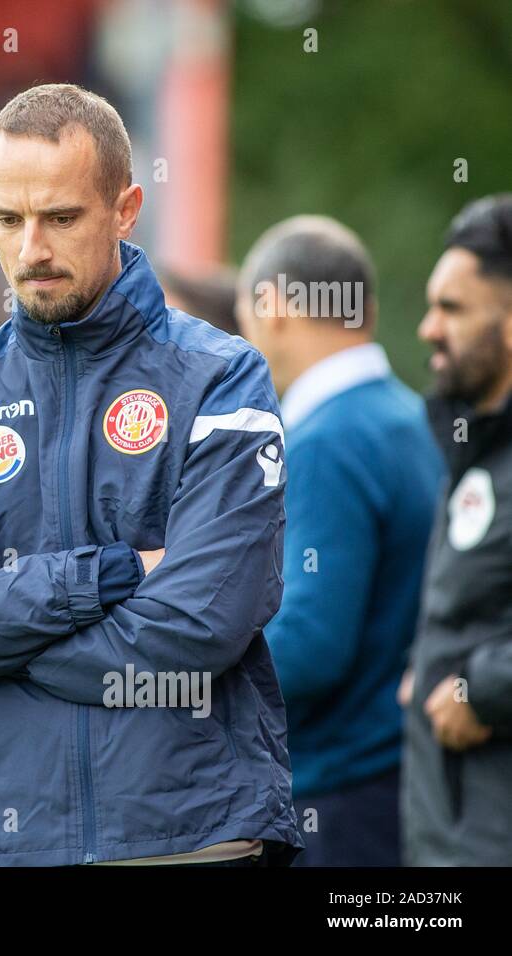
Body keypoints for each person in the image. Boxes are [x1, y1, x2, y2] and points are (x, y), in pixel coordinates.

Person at [0, 83, 301, 866]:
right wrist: (119, 572)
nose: (30, 249)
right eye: (7, 219)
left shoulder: (221, 379)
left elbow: (198, 627)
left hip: (191, 841)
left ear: (126, 208)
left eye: (61, 218)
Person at [235, 216, 442, 865]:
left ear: (271, 306)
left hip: (342, 797)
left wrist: (181, 679)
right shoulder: (410, 417)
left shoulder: (327, 438)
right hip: (402, 781)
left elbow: (310, 645)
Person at [402, 193, 512, 866]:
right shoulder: (471, 444)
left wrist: (484, 687)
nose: (428, 328)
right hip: (452, 832)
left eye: (453, 308)